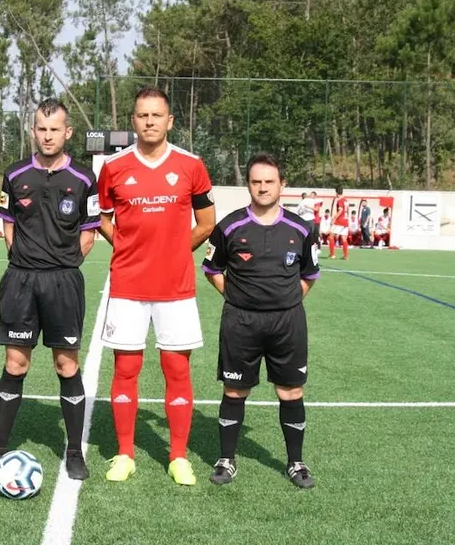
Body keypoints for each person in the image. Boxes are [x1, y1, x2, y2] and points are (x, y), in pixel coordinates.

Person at [97, 86, 216, 485]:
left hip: (176, 287)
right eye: (142, 115)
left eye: (156, 115)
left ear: (170, 121)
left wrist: (177, 250)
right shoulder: (113, 167)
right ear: (133, 121)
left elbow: (207, 222)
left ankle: (178, 456)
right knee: (126, 368)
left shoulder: (191, 165)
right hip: (128, 286)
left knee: (176, 369)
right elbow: (103, 217)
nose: (149, 121)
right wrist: (126, 246)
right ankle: (125, 453)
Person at [0, 98, 100, 481]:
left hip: (64, 282)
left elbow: (89, 232)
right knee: (16, 363)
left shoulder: (83, 179)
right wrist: (28, 261)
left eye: (55, 130)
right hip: (21, 281)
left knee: (66, 364)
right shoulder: (15, 175)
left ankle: (75, 451)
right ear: (33, 131)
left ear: (68, 132)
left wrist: (61, 263)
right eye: (41, 129)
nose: (48, 136)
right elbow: (8, 227)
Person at [201, 152, 320, 489]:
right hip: (241, 322)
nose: (263, 188)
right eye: (256, 182)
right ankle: (226, 459)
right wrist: (239, 299)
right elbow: (212, 270)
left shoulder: (301, 228)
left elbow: (309, 275)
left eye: (269, 181)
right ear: (248, 185)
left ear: (282, 184)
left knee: (291, 390)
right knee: (235, 388)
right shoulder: (230, 225)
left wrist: (285, 301)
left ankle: (296, 462)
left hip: (287, 323)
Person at [329, 186, 349, 260]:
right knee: (343, 238)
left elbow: (340, 210)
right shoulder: (346, 200)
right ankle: (346, 255)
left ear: (336, 192)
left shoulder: (340, 200)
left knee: (331, 236)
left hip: (340, 221)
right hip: (346, 221)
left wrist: (334, 218)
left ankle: (332, 254)